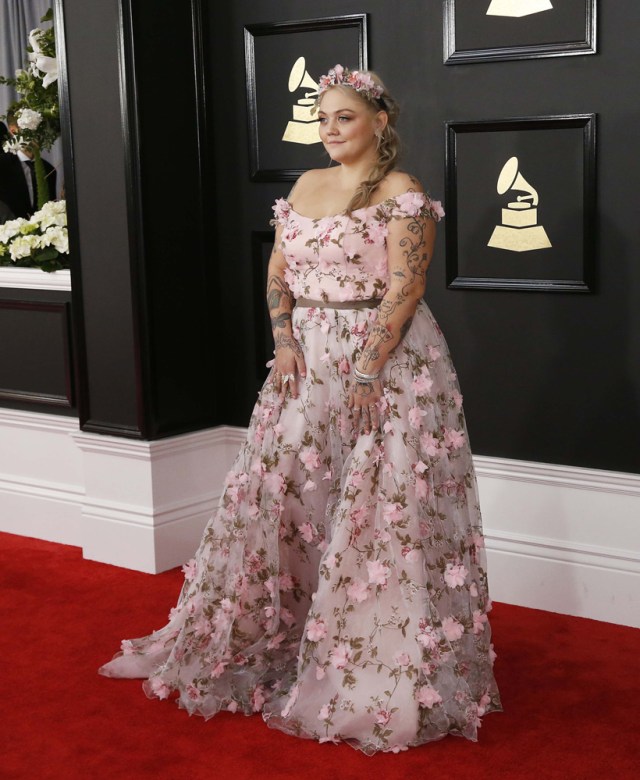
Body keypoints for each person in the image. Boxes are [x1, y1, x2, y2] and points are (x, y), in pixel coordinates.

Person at [100, 65, 502, 754]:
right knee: (287, 493)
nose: (329, 131)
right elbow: (278, 272)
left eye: (343, 117)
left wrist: (369, 367)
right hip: (307, 359)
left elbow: (405, 290)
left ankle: (377, 656)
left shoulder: (403, 195)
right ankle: (289, 632)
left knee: (383, 508)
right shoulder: (305, 185)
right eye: (322, 120)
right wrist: (285, 343)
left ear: (379, 120)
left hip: (387, 363)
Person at [0, 112, 57, 219]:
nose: (39, 133)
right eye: (32, 128)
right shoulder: (2, 165)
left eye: (41, 128)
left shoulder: (49, 170)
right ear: (14, 131)